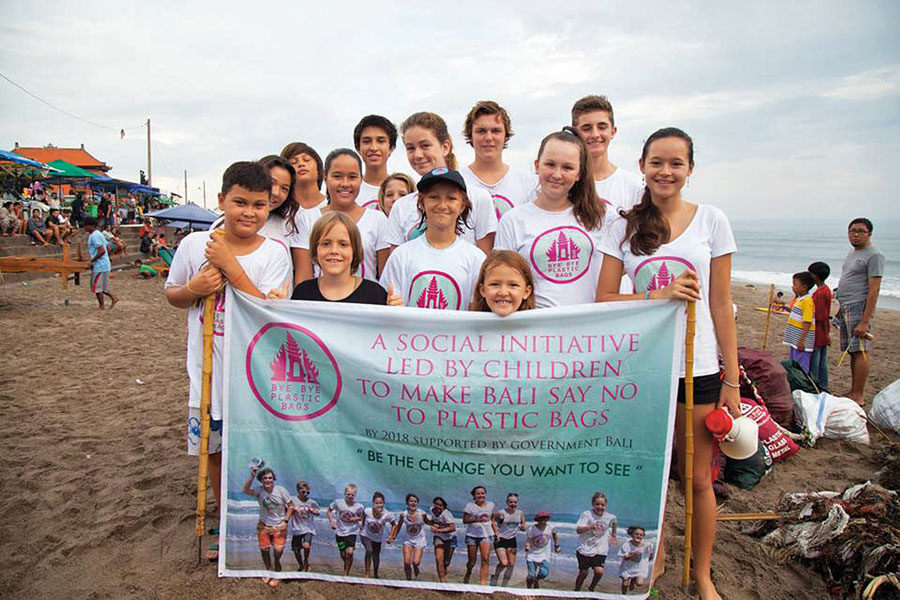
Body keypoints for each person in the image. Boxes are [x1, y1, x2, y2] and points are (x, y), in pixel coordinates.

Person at [596, 127, 740, 600]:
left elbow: (721, 304)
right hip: (643, 368)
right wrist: (654, 295)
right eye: (657, 162)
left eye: (676, 163)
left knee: (697, 477)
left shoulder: (712, 220)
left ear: (690, 169)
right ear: (642, 166)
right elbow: (604, 298)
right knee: (651, 474)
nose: (666, 171)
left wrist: (732, 380)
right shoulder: (624, 226)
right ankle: (655, 557)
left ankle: (702, 573)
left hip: (696, 368)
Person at [164, 161, 291, 557]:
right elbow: (172, 295)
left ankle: (253, 518)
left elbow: (261, 307)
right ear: (222, 200)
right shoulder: (192, 245)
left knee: (253, 448)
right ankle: (221, 518)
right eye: (239, 202)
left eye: (259, 204)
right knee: (213, 449)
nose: (249, 213)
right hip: (207, 372)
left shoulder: (275, 252)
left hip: (251, 375)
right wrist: (194, 287)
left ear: (269, 206)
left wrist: (230, 266)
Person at [495, 128, 606, 307]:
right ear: (537, 165)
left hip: (589, 329)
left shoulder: (602, 216)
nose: (557, 174)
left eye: (567, 168)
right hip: (537, 329)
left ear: (579, 173)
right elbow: (502, 280)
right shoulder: (513, 220)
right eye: (550, 164)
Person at [385, 112, 497, 254]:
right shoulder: (401, 207)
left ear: (445, 147)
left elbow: (485, 261)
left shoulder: (478, 198)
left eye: (425, 146)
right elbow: (396, 267)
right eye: (410, 148)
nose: (418, 155)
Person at [380, 168, 486, 310]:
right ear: (422, 203)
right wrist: (391, 306)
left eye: (451, 198)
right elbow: (385, 305)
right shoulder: (401, 256)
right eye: (434, 197)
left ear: (462, 205)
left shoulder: (476, 259)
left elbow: (478, 312)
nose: (442, 205)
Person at [293, 149, 391, 284]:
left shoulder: (378, 220)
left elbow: (385, 278)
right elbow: (302, 279)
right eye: (337, 176)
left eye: (352, 177)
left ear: (361, 180)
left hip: (365, 302)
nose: (345, 184)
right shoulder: (307, 219)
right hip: (317, 303)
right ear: (326, 178)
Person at [289, 212, 400, 305]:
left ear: (354, 250)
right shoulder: (302, 293)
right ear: (315, 249)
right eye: (326, 244)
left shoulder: (375, 294)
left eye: (343, 244)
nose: (334, 251)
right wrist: (278, 306)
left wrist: (397, 317)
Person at [460, 100, 537, 221]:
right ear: (470, 135)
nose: (489, 138)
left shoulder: (528, 182)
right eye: (481, 131)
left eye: (496, 131)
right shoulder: (458, 182)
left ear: (505, 135)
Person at [837, 218, 885, 406]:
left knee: (861, 350)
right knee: (853, 350)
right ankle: (853, 391)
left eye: (860, 231)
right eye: (852, 231)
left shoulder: (874, 255)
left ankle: (858, 394)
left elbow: (874, 289)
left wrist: (865, 321)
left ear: (869, 234)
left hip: (859, 305)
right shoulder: (853, 252)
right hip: (847, 305)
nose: (855, 234)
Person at [571, 95, 643, 212]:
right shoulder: (565, 183)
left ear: (613, 131)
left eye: (602, 127)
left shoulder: (635, 186)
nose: (595, 134)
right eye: (586, 128)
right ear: (575, 132)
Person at [242, 466, 292, 587]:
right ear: (261, 480)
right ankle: (268, 570)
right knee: (264, 550)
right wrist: (252, 476)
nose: (267, 480)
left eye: (270, 478)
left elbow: (291, 506)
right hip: (263, 525)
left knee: (277, 551)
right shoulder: (259, 490)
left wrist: (285, 521)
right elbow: (245, 490)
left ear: (273, 479)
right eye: (265, 478)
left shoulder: (281, 490)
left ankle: (277, 570)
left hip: (279, 525)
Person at [256, 155, 303, 283]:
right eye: (272, 183)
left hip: (277, 300)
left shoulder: (290, 224)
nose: (276, 192)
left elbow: (302, 273)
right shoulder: (224, 224)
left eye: (284, 188)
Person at [573, 492, 617, 592]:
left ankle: (591, 587)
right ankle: (577, 589)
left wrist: (614, 535)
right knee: (584, 572)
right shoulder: (587, 514)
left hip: (601, 548)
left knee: (599, 572)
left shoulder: (610, 517)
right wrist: (590, 527)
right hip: (585, 547)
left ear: (606, 505)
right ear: (593, 504)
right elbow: (578, 530)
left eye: (602, 505)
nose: (600, 507)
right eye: (597, 504)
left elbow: (614, 523)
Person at [471, 250, 536, 315]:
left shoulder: (538, 324)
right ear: (482, 290)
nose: (503, 293)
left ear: (526, 292)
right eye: (495, 284)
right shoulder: (471, 324)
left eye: (513, 285)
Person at [353, 115, 398, 209]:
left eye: (380, 141)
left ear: (391, 148)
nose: (373, 148)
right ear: (358, 148)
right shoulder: (351, 190)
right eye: (367, 141)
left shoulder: (404, 189)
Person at [326, 483, 366, 576]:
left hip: (352, 531)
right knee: (343, 554)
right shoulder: (338, 502)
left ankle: (346, 573)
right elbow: (328, 511)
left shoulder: (359, 506)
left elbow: (363, 516)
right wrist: (332, 522)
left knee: (350, 553)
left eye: (352, 495)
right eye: (348, 494)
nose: (350, 496)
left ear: (355, 495)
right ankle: (347, 563)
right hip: (340, 532)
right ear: (345, 494)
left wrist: (358, 521)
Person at [387, 493, 427, 580]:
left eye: (415, 502)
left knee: (416, 562)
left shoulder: (422, 513)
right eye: (411, 501)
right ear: (407, 503)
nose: (413, 503)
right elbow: (398, 526)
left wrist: (436, 525)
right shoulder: (403, 514)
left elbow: (428, 522)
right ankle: (408, 580)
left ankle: (416, 568)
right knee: (406, 561)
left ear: (417, 503)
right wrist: (393, 537)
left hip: (420, 540)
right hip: (408, 540)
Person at [490, 493, 526, 586]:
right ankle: (495, 577)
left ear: (517, 503)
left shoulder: (520, 513)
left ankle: (504, 585)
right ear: (507, 502)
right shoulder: (501, 512)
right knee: (504, 563)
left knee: (511, 564)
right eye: (510, 502)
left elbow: (523, 525)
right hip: (500, 539)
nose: (513, 504)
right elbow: (492, 521)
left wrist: (523, 527)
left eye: (515, 502)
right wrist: (496, 532)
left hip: (512, 540)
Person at [462, 485, 495, 585]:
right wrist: (478, 519)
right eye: (478, 494)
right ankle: (469, 571)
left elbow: (492, 518)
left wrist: (496, 531)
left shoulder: (491, 505)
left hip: (487, 534)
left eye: (482, 493)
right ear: (474, 496)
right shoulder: (469, 506)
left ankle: (483, 584)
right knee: (472, 561)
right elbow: (465, 520)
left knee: (485, 559)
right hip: (472, 535)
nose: (481, 495)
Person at [280, 142, 327, 212]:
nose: (301, 164)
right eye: (293, 162)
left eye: (307, 160)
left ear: (319, 169)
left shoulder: (335, 206)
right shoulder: (281, 211)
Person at [784, 271, 816, 372]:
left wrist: (802, 341)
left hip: (801, 341)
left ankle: (802, 385)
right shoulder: (800, 300)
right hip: (795, 340)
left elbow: (807, 321)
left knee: (801, 366)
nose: (792, 287)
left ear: (804, 287)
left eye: (795, 284)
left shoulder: (807, 301)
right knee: (794, 363)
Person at [84, 217, 119, 309]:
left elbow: (102, 250)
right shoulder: (98, 234)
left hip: (100, 264)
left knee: (97, 286)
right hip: (103, 263)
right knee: (99, 285)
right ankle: (111, 299)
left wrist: (92, 261)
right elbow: (108, 248)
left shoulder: (94, 236)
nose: (84, 228)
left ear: (91, 226)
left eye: (86, 226)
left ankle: (103, 304)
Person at [808, 261, 833, 387]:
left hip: (818, 330)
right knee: (822, 360)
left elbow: (821, 316)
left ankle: (816, 384)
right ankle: (823, 385)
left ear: (815, 276)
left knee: (815, 361)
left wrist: (827, 333)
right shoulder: (826, 289)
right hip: (823, 330)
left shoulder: (819, 294)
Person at [360, 491, 394, 578]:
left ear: (384, 503)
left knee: (376, 556)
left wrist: (391, 536)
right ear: (373, 503)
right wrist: (362, 524)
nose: (379, 505)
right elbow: (363, 514)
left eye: (381, 503)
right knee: (369, 550)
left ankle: (375, 573)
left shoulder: (387, 515)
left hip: (377, 538)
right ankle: (367, 572)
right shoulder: (367, 510)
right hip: (365, 535)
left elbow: (395, 525)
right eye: (376, 503)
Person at [287, 481, 319, 572]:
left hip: (308, 528)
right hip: (297, 529)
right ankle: (301, 565)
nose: (305, 494)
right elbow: (287, 510)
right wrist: (293, 509)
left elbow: (318, 512)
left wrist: (313, 511)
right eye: (303, 492)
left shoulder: (311, 502)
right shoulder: (293, 500)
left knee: (306, 546)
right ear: (298, 490)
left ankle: (306, 560)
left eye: (307, 492)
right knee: (296, 550)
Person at [524, 510, 560, 589]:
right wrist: (527, 546)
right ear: (538, 519)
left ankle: (536, 580)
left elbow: (555, 535)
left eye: (545, 519)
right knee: (531, 575)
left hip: (544, 555)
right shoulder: (532, 529)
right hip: (532, 555)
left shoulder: (550, 527)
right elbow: (528, 540)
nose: (543, 521)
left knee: (544, 573)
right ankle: (529, 588)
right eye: (541, 519)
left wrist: (557, 546)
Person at [427, 496, 457, 583]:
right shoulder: (432, 510)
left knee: (446, 562)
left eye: (440, 505)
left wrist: (438, 530)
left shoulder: (446, 514)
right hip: (439, 537)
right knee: (438, 558)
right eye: (436, 504)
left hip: (451, 537)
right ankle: (442, 580)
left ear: (444, 507)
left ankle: (444, 569)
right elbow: (433, 521)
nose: (438, 507)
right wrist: (426, 520)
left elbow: (452, 528)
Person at [618, 526, 654, 595]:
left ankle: (633, 580)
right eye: (636, 534)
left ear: (643, 536)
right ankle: (623, 594)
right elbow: (625, 558)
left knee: (639, 583)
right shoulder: (627, 545)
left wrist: (646, 562)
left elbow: (650, 556)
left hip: (640, 568)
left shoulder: (647, 545)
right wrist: (633, 554)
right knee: (625, 584)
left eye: (641, 535)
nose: (638, 536)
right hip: (627, 567)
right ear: (632, 535)